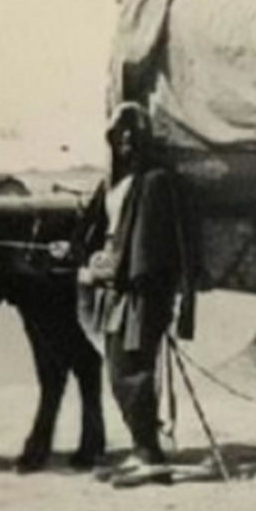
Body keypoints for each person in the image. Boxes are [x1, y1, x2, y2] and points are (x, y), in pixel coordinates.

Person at [77, 102, 192, 478]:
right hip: (116, 288)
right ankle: (142, 447)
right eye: (119, 132)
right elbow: (99, 232)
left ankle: (148, 452)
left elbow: (151, 247)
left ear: (145, 139)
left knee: (132, 367)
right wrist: (86, 256)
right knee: (117, 366)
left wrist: (111, 271)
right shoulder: (113, 185)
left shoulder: (156, 181)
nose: (126, 139)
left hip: (141, 290)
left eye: (133, 132)